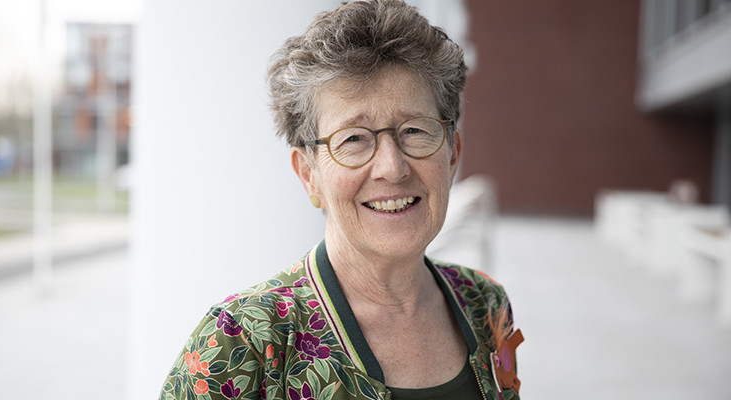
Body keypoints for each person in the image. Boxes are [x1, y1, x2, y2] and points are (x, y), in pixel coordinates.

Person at [159, 1, 522, 399]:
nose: (392, 167)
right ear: (308, 174)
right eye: (353, 139)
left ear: (452, 155)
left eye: (415, 131)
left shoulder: (483, 304)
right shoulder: (241, 344)